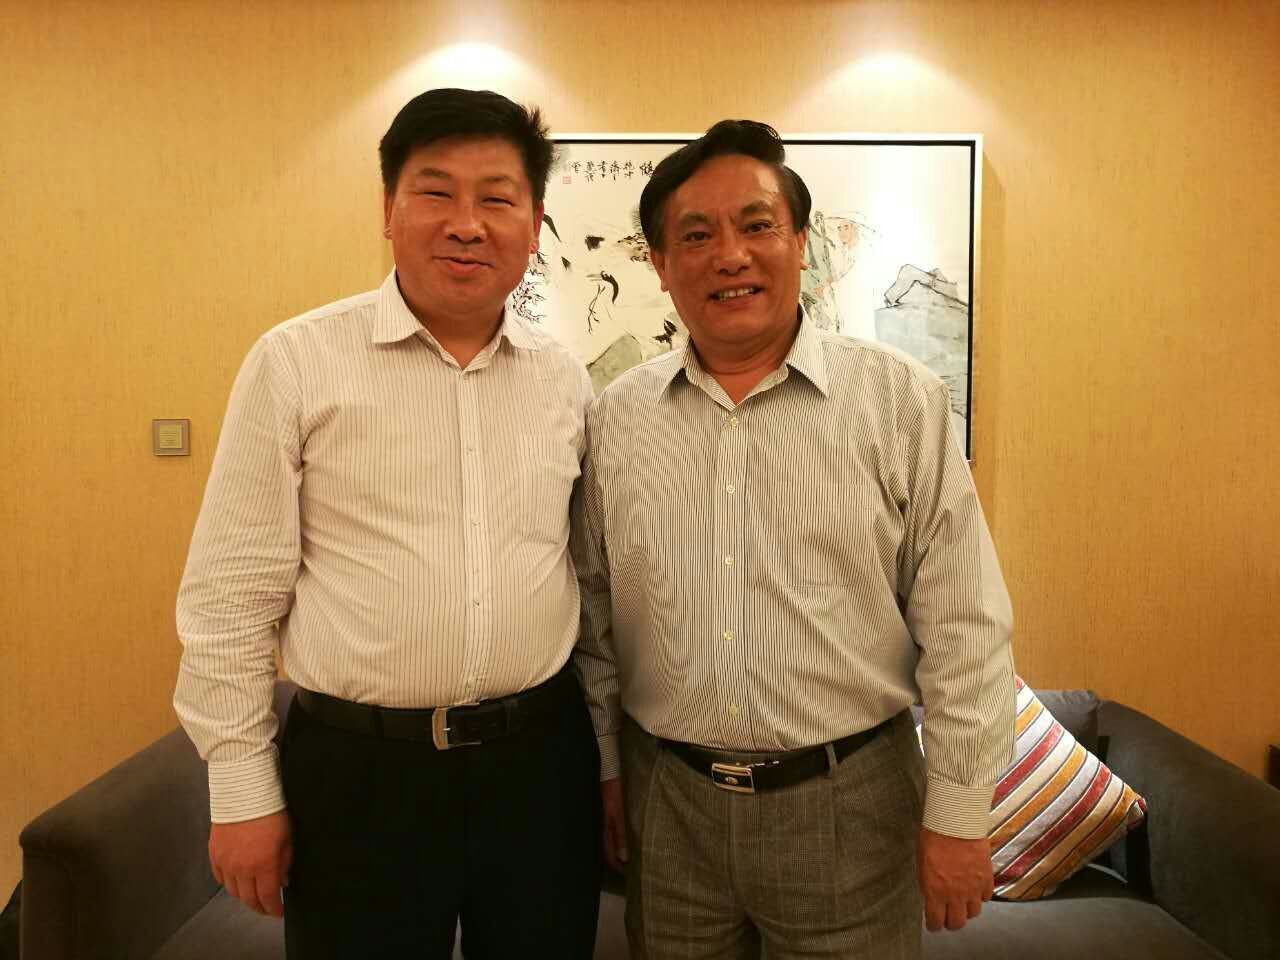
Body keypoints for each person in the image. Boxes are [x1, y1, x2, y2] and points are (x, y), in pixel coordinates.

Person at [571, 119, 1015, 960]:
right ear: (659, 263)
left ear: (801, 242)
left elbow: (965, 621)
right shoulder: (616, 418)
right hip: (671, 804)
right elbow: (592, 617)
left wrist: (959, 813)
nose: (730, 255)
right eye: (695, 236)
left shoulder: (900, 400)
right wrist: (606, 768)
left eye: (757, 224)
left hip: (852, 802)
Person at [175, 88, 600, 959]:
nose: (466, 224)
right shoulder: (296, 362)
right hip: (359, 772)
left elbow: (590, 584)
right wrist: (241, 790)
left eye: (496, 198)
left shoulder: (566, 381)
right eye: (435, 192)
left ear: (534, 224)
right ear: (388, 209)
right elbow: (230, 597)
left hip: (538, 765)